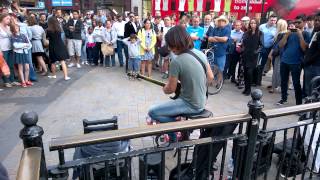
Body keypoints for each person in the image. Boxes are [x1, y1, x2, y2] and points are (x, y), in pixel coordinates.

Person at [148, 25, 213, 141]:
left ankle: (176, 135)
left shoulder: (176, 61)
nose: (169, 48)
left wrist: (164, 89)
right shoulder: (200, 54)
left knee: (153, 112)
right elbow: (211, 77)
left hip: (190, 104)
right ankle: (180, 128)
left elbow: (170, 89)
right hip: (201, 101)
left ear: (174, 44)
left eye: (169, 45)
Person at [276, 21, 306, 105]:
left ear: (303, 23)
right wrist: (286, 35)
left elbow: (304, 48)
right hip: (284, 60)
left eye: (298, 23)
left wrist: (300, 35)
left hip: (296, 62)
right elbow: (280, 45)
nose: (296, 25)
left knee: (296, 83)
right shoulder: (287, 34)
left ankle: (298, 103)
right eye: (295, 23)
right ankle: (283, 98)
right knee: (283, 81)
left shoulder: (305, 33)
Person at [207, 15, 231, 84]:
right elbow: (209, 38)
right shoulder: (215, 29)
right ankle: (211, 81)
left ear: (225, 22)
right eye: (220, 21)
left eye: (222, 21)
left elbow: (225, 39)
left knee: (220, 68)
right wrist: (220, 39)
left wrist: (216, 37)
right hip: (213, 51)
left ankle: (219, 82)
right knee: (212, 67)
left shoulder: (227, 30)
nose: (221, 22)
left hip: (221, 52)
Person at [268, 19, 288, 94]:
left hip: (278, 55)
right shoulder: (287, 33)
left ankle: (275, 86)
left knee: (277, 71)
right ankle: (280, 86)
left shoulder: (280, 34)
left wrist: (270, 54)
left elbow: (276, 46)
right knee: (282, 72)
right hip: (284, 55)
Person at [242, 19, 260, 96]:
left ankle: (249, 89)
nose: (253, 24)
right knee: (245, 72)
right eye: (251, 23)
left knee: (249, 72)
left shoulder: (260, 33)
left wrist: (257, 51)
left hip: (253, 56)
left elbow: (262, 45)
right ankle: (246, 88)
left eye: (254, 23)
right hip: (245, 54)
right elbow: (243, 42)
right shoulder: (247, 33)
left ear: (257, 24)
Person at [257, 14, 277, 85]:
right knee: (258, 64)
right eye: (271, 20)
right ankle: (257, 81)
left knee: (265, 65)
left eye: (274, 20)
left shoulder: (276, 29)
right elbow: (257, 36)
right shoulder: (262, 27)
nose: (273, 22)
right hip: (261, 47)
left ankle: (260, 81)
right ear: (268, 19)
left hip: (270, 49)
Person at [10, 23, 32, 87]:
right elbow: (15, 46)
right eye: (14, 27)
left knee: (27, 67)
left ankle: (26, 80)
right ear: (12, 29)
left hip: (25, 52)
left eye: (17, 27)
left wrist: (21, 45)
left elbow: (29, 45)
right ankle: (23, 82)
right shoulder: (12, 36)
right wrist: (24, 45)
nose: (16, 28)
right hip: (18, 53)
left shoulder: (23, 35)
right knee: (20, 68)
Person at [303, 13, 320, 96]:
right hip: (310, 65)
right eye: (315, 20)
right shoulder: (315, 32)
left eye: (319, 20)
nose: (316, 22)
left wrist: (308, 61)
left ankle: (311, 108)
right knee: (309, 90)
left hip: (314, 66)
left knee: (312, 91)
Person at [0, 13, 14, 88]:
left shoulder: (8, 27)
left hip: (10, 48)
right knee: (4, 66)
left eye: (9, 19)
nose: (9, 20)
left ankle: (12, 80)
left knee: (11, 65)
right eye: (7, 19)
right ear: (2, 18)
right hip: (2, 49)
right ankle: (6, 81)